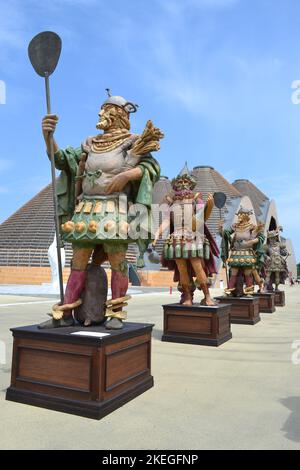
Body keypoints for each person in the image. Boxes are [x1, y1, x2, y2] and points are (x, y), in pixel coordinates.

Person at [40, 91, 162, 329]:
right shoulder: (89, 143)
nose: (99, 114)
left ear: (117, 114)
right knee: (78, 262)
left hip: (115, 209)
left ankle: (116, 313)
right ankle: (65, 314)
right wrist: (48, 137)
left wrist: (128, 173)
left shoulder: (133, 142)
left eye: (105, 110)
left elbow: (152, 168)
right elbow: (62, 160)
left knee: (117, 261)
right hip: (86, 209)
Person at [153, 165, 219, 306]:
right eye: (180, 183)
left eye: (186, 182)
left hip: (192, 235)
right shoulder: (171, 203)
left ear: (191, 184)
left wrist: (210, 205)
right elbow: (166, 220)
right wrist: (157, 233)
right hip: (176, 238)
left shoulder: (197, 198)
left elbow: (202, 217)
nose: (183, 185)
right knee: (182, 268)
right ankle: (188, 296)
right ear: (175, 186)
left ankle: (207, 295)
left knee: (197, 266)